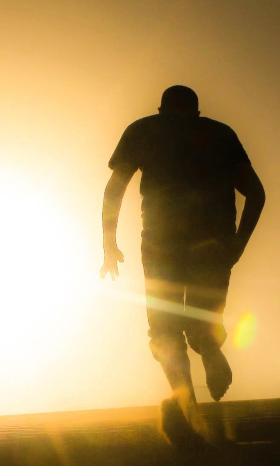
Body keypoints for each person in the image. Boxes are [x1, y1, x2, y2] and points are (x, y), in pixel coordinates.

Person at [100, 85, 266, 443]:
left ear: (162, 110)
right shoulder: (220, 133)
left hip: (163, 241)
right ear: (197, 111)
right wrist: (237, 245)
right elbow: (257, 193)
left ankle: (187, 405)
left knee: (164, 328)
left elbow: (115, 188)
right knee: (202, 322)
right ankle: (208, 348)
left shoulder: (144, 129)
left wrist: (109, 243)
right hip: (214, 240)